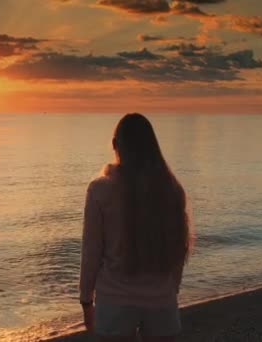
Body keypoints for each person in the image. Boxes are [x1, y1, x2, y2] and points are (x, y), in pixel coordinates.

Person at [79, 113, 192, 341]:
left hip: (114, 301)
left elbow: (91, 251)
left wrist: (85, 299)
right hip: (161, 299)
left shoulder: (100, 190)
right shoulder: (171, 189)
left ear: (115, 145)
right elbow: (180, 248)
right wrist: (172, 289)